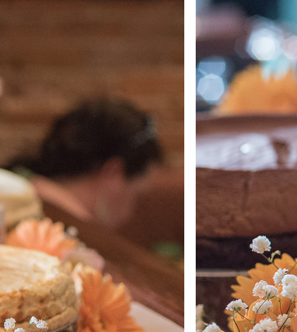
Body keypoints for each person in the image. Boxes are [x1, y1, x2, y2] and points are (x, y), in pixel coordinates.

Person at [23, 97, 180, 251]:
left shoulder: (25, 194)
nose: (129, 214)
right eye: (136, 194)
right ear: (113, 171)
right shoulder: (69, 240)